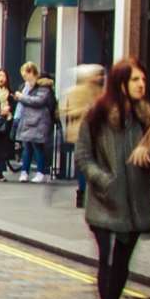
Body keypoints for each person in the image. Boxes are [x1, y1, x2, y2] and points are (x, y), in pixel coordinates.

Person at [79, 58, 150, 299]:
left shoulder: (148, 118)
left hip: (136, 204)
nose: (142, 84)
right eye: (135, 80)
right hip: (105, 201)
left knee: (123, 262)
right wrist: (103, 179)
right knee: (108, 258)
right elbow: (83, 155)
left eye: (143, 79)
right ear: (120, 83)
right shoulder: (98, 115)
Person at [63, 65, 105, 208]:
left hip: (98, 131)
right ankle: (82, 194)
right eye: (97, 74)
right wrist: (86, 109)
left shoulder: (100, 91)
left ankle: (92, 194)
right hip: (81, 132)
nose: (100, 77)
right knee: (84, 164)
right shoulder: (75, 92)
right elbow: (67, 111)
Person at [15, 62, 57, 183]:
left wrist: (21, 97)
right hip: (28, 120)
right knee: (27, 147)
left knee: (37, 146)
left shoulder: (43, 86)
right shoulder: (26, 86)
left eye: (25, 74)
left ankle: (40, 172)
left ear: (32, 72)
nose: (24, 77)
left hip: (39, 121)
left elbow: (39, 101)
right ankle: (24, 171)